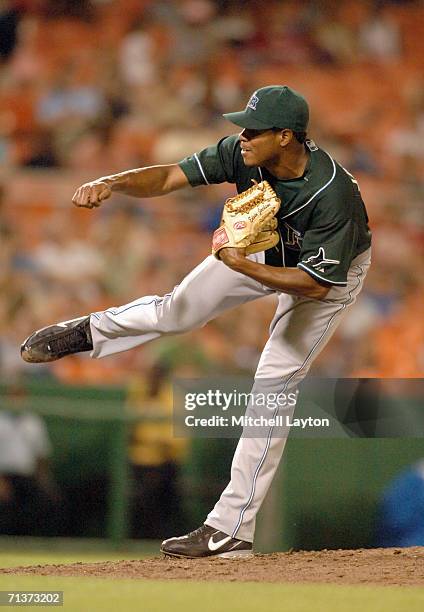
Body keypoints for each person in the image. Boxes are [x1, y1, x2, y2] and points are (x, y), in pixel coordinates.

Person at [21, 85, 372, 558]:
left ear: (287, 136)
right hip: (267, 244)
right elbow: (169, 176)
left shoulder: (333, 195)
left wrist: (241, 264)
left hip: (327, 274)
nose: (242, 136)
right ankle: (88, 331)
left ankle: (231, 530)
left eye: (254, 129)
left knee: (274, 380)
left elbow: (315, 285)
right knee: (178, 309)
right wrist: (115, 182)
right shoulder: (243, 153)